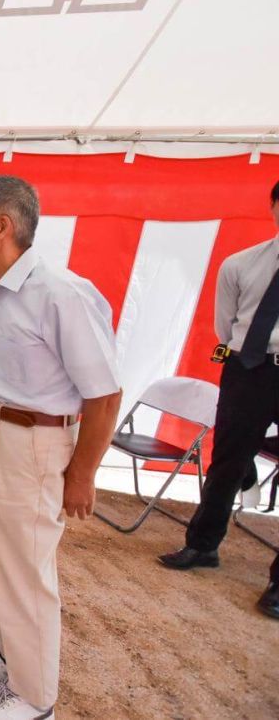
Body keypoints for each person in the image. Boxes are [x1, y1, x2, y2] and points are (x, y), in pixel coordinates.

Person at [0, 175, 121, 720]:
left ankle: (35, 695)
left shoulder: (60, 292)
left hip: (36, 441)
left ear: (2, 226)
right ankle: (6, 660)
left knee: (26, 567)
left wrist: (83, 473)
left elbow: (105, 394)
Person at [159, 181, 279, 620]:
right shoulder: (242, 264)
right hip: (251, 368)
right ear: (272, 207)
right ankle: (202, 545)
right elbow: (225, 326)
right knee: (228, 460)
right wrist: (250, 358)